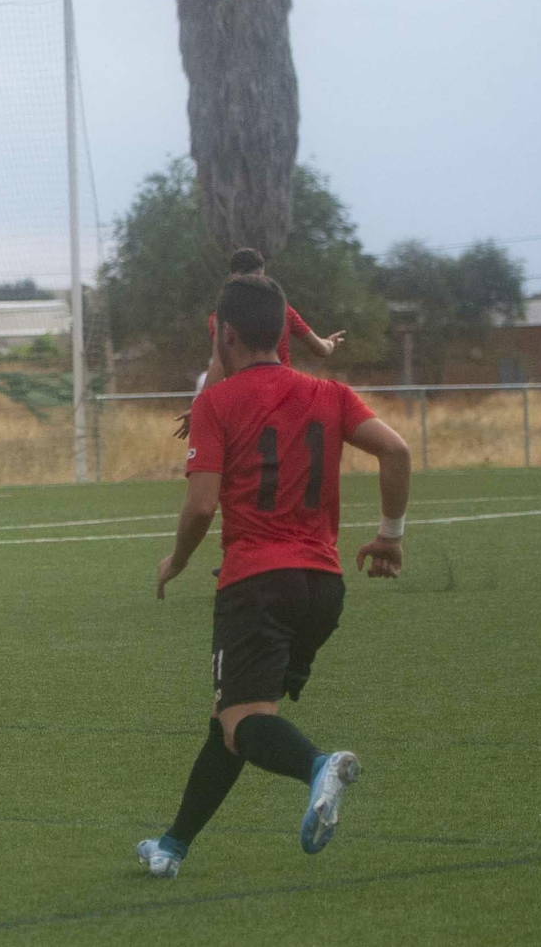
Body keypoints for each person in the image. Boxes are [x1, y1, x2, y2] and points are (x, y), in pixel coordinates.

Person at [139, 273, 411, 878]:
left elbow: (202, 504)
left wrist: (176, 561)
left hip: (257, 584)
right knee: (234, 719)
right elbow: (397, 452)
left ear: (226, 334)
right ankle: (172, 844)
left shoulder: (215, 401)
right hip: (322, 589)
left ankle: (320, 765)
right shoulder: (331, 393)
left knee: (244, 721)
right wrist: (389, 537)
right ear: (282, 329)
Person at [173, 248, 346, 440]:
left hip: (244, 404)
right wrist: (329, 343)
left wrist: (200, 409)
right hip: (284, 399)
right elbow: (321, 349)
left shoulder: (222, 317)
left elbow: (219, 364)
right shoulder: (283, 310)